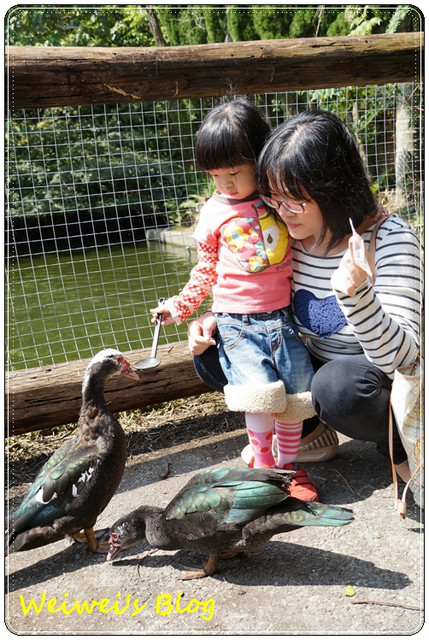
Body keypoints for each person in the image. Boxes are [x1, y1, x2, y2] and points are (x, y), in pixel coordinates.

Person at [188, 109, 422, 488]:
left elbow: (403, 358)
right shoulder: (290, 234)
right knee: (217, 351)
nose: (281, 213)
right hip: (311, 364)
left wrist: (357, 297)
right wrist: (223, 316)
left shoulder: (389, 240)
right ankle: (311, 432)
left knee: (337, 388)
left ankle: (400, 446)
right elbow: (258, 291)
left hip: (372, 376)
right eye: (273, 198)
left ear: (334, 189)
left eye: (293, 201)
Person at [151, 98, 318, 501]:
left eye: (233, 173)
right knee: (257, 395)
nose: (224, 183)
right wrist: (180, 306)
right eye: (215, 175)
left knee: (295, 394)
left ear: (258, 160)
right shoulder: (214, 212)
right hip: (238, 323)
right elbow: (206, 269)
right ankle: (263, 468)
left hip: (284, 318)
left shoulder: (277, 198)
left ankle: (289, 466)